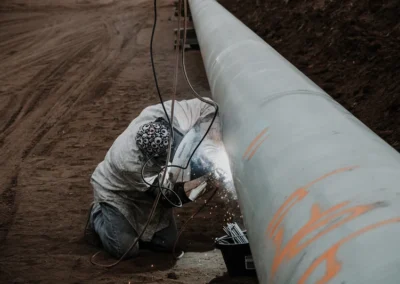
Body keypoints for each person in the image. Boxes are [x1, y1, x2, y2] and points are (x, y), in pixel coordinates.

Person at [84, 98, 223, 260]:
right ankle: (97, 216)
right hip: (118, 192)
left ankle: (130, 229)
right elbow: (168, 197)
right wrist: (207, 182)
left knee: (167, 243)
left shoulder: (162, 113)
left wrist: (215, 134)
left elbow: (208, 106)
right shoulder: (129, 164)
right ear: (150, 159)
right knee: (125, 250)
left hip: (148, 189)